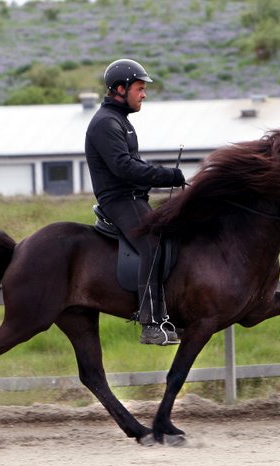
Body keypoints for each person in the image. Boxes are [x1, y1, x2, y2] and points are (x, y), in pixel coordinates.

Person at [85, 58, 186, 346]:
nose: (144, 94)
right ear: (120, 88)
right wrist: (169, 176)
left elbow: (134, 167)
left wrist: (162, 178)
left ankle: (174, 313)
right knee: (151, 244)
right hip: (118, 200)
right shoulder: (106, 123)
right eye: (140, 89)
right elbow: (124, 168)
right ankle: (151, 323)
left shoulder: (120, 121)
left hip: (132, 197)